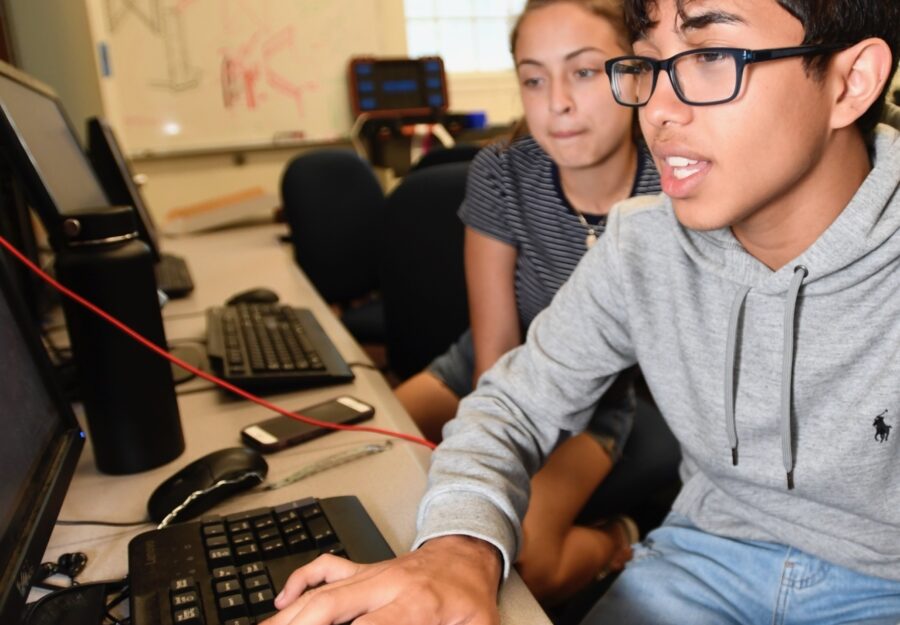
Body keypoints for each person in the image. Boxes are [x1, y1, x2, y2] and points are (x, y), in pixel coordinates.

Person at [264, 0, 900, 623]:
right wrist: (460, 547)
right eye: (649, 65)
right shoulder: (641, 243)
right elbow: (510, 402)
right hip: (706, 557)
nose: (658, 110)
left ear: (852, 81)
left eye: (710, 55)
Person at [393, 0, 662, 603]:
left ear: (637, 75)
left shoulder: (671, 184)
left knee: (527, 557)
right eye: (534, 78)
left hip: (597, 391)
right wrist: (481, 466)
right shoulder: (501, 173)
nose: (556, 101)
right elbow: (493, 360)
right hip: (489, 358)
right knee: (361, 450)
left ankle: (619, 538)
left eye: (585, 72)